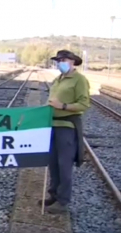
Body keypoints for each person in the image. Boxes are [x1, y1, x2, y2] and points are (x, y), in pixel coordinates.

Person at [39, 50, 90, 214]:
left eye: (64, 59)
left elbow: (84, 104)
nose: (60, 62)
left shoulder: (79, 80)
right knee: (53, 164)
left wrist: (64, 106)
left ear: (73, 61)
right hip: (52, 125)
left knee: (64, 165)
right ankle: (53, 194)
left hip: (67, 127)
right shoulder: (58, 79)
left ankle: (63, 201)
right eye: (58, 60)